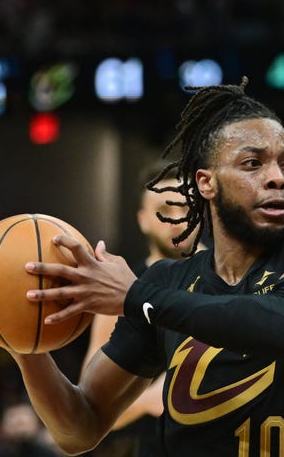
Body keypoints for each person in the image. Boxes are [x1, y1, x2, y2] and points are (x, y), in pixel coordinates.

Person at [9, 79, 284, 456]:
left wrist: (136, 297)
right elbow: (80, 428)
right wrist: (21, 343)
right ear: (206, 183)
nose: (278, 177)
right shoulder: (166, 281)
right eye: (252, 163)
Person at [80, 160, 206, 457]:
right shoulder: (120, 289)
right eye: (165, 210)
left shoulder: (233, 279)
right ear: (143, 220)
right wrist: (151, 400)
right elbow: (88, 408)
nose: (177, 219)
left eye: (186, 208)